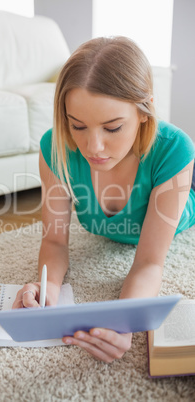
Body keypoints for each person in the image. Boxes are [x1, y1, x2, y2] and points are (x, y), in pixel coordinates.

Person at [13, 36, 195, 362]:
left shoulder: (175, 149)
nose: (93, 147)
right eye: (78, 126)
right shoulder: (55, 147)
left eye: (112, 128)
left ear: (144, 111)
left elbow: (149, 262)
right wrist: (47, 286)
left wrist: (123, 322)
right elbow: (54, 242)